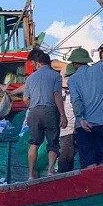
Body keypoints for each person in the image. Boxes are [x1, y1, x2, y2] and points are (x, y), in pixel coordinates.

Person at [23, 48, 67, 179]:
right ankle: (50, 170)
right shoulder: (56, 76)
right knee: (53, 143)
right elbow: (57, 95)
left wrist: (34, 107)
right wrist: (63, 115)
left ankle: (31, 174)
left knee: (34, 143)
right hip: (50, 111)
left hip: (34, 111)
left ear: (38, 63)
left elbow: (25, 99)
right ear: (49, 63)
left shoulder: (30, 78)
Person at [58, 63, 77, 173]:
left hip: (73, 128)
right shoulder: (61, 93)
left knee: (67, 155)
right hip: (66, 130)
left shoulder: (71, 91)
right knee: (65, 157)